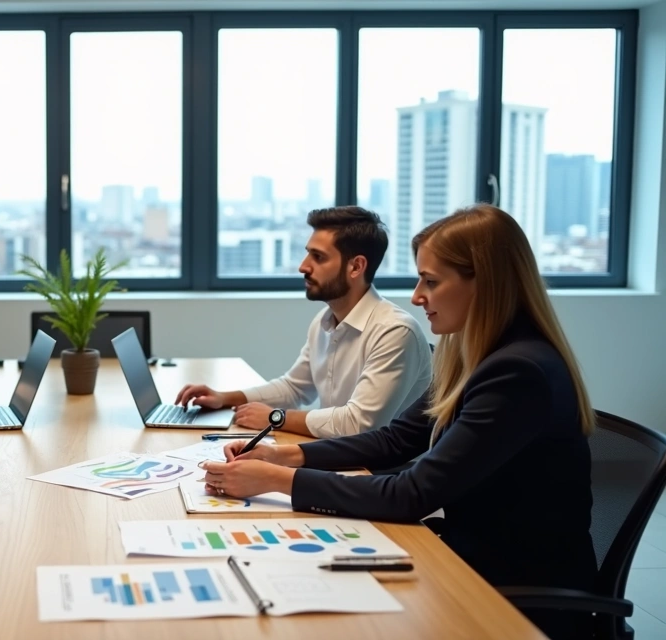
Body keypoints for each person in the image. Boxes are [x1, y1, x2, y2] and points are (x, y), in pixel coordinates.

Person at [201, 204, 596, 639]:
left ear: (484, 283)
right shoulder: (474, 356)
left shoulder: (517, 373)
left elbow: (412, 494)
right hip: (467, 560)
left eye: (431, 281)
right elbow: (396, 439)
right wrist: (285, 456)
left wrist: (277, 480)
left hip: (512, 594)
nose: (416, 296)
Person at [176, 206, 431, 439]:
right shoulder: (325, 320)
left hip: (382, 469)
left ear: (356, 267)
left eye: (318, 257)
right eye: (308, 254)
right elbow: (294, 388)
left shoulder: (395, 332)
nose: (303, 267)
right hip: (339, 455)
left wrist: (276, 418)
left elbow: (358, 424)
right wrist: (224, 398)